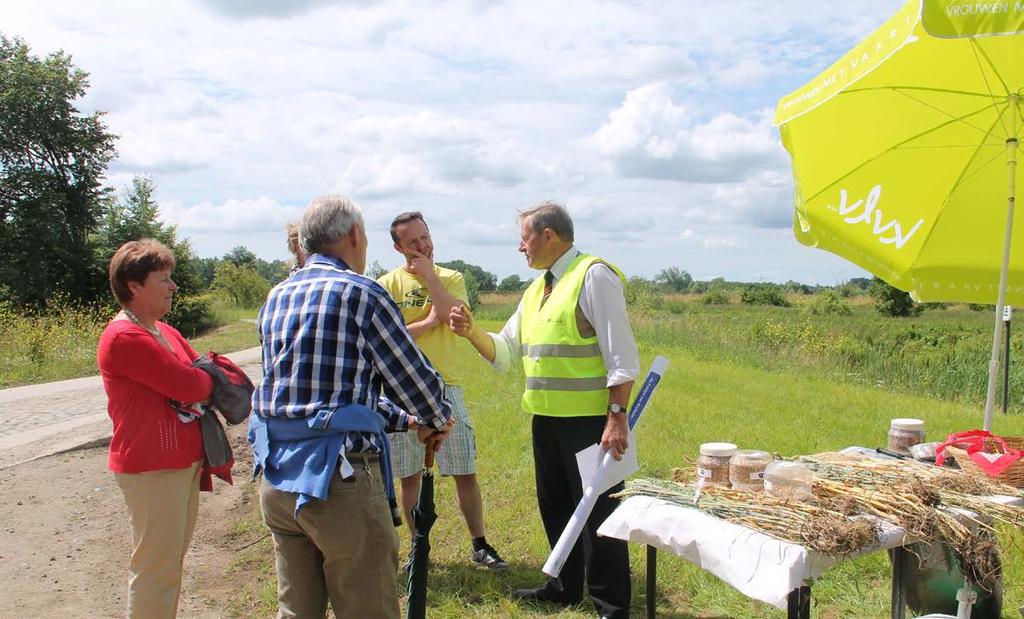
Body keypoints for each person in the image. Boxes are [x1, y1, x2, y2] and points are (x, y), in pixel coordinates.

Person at [250, 195, 453, 619]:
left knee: (296, 610)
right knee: (369, 607)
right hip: (338, 483)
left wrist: (406, 421)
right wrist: (434, 417)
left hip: (279, 480)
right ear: (355, 236)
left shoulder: (277, 296)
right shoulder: (362, 293)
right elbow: (419, 386)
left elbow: (323, 397)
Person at [451, 201, 638, 619]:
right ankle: (563, 587)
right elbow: (504, 353)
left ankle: (612, 606)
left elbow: (622, 358)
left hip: (591, 424)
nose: (521, 247)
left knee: (599, 515)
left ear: (548, 235)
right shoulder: (536, 291)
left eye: (524, 238)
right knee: (555, 507)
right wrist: (470, 332)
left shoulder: (594, 276)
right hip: (547, 422)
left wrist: (616, 417)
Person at [377, 211, 508, 570]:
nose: (423, 245)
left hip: (446, 387)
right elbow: (387, 342)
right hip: (400, 391)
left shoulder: (452, 277)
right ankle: (420, 550)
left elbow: (457, 321)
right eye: (413, 241)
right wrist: (428, 322)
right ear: (398, 247)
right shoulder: (386, 285)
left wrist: (431, 278)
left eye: (426, 236)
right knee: (409, 475)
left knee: (464, 468)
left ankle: (480, 545)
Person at [97, 239, 217, 619]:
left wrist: (202, 375)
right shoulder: (124, 336)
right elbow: (194, 384)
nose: (173, 286)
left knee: (168, 565)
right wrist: (203, 377)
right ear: (134, 286)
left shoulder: (161, 330)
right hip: (152, 468)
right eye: (164, 279)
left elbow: (202, 370)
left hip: (178, 464)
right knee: (156, 570)